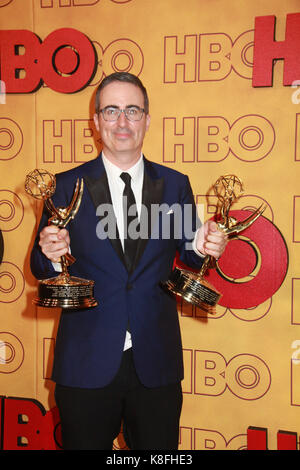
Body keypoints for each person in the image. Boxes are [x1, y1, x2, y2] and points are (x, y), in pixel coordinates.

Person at [30, 72, 228, 450]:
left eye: (132, 110)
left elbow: (189, 252)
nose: (122, 122)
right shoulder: (64, 185)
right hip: (86, 362)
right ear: (97, 121)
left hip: (155, 361)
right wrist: (51, 255)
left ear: (147, 120)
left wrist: (203, 245)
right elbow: (40, 270)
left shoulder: (175, 184)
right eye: (112, 110)